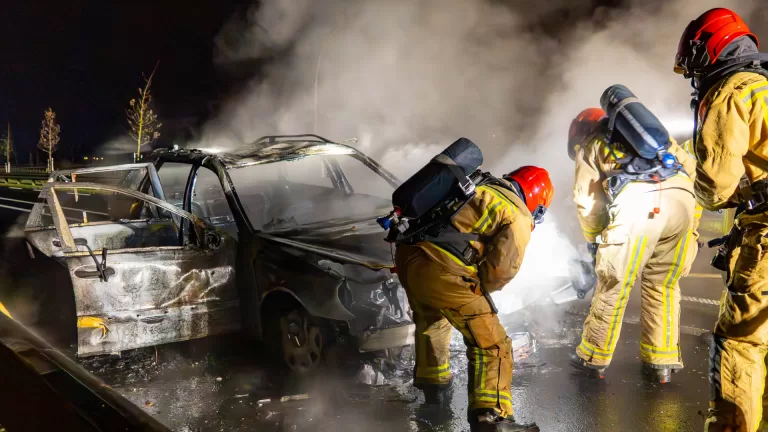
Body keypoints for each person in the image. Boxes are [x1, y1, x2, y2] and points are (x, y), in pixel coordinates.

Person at [395, 166, 552, 432]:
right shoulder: (518, 214)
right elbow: (501, 271)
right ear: (537, 202)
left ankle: (434, 391)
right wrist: (478, 290)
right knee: (493, 343)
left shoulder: (481, 185)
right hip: (441, 270)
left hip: (408, 256)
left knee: (432, 321)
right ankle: (492, 417)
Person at [674, 7, 768, 431]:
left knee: (740, 341)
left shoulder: (732, 91)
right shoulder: (763, 87)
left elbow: (714, 188)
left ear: (708, 49)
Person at [568, 106, 698, 383]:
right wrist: (693, 224)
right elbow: (693, 172)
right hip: (683, 202)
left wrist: (594, 241)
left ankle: (593, 357)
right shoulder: (659, 139)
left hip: (641, 203)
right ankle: (661, 361)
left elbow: (587, 201)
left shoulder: (592, 145)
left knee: (614, 283)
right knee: (663, 285)